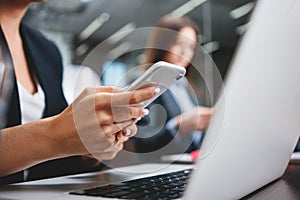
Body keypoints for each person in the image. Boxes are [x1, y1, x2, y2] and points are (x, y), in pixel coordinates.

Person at [0, 0, 158, 184]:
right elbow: (51, 138)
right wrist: (55, 135)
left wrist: (88, 147)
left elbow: (47, 161)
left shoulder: (46, 51)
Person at [132, 15, 213, 160]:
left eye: (191, 47)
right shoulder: (145, 83)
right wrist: (178, 126)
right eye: (179, 44)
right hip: (158, 170)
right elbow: (142, 144)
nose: (185, 52)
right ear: (162, 44)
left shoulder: (188, 87)